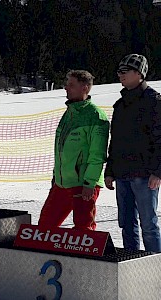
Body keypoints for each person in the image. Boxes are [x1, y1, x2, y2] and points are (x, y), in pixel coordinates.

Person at [38, 70, 110, 230]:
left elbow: (97, 155)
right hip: (62, 183)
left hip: (83, 183)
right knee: (44, 227)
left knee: (84, 231)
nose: (66, 88)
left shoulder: (96, 116)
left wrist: (90, 183)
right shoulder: (68, 113)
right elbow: (61, 150)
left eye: (71, 85)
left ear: (85, 87)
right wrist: (56, 177)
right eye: (66, 84)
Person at [105, 54, 161, 253]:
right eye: (119, 71)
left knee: (149, 226)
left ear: (139, 74)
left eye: (124, 71)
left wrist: (158, 172)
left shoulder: (154, 101)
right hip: (122, 174)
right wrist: (110, 171)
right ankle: (130, 265)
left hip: (145, 175)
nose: (120, 75)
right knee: (126, 225)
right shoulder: (120, 105)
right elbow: (115, 140)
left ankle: (156, 270)